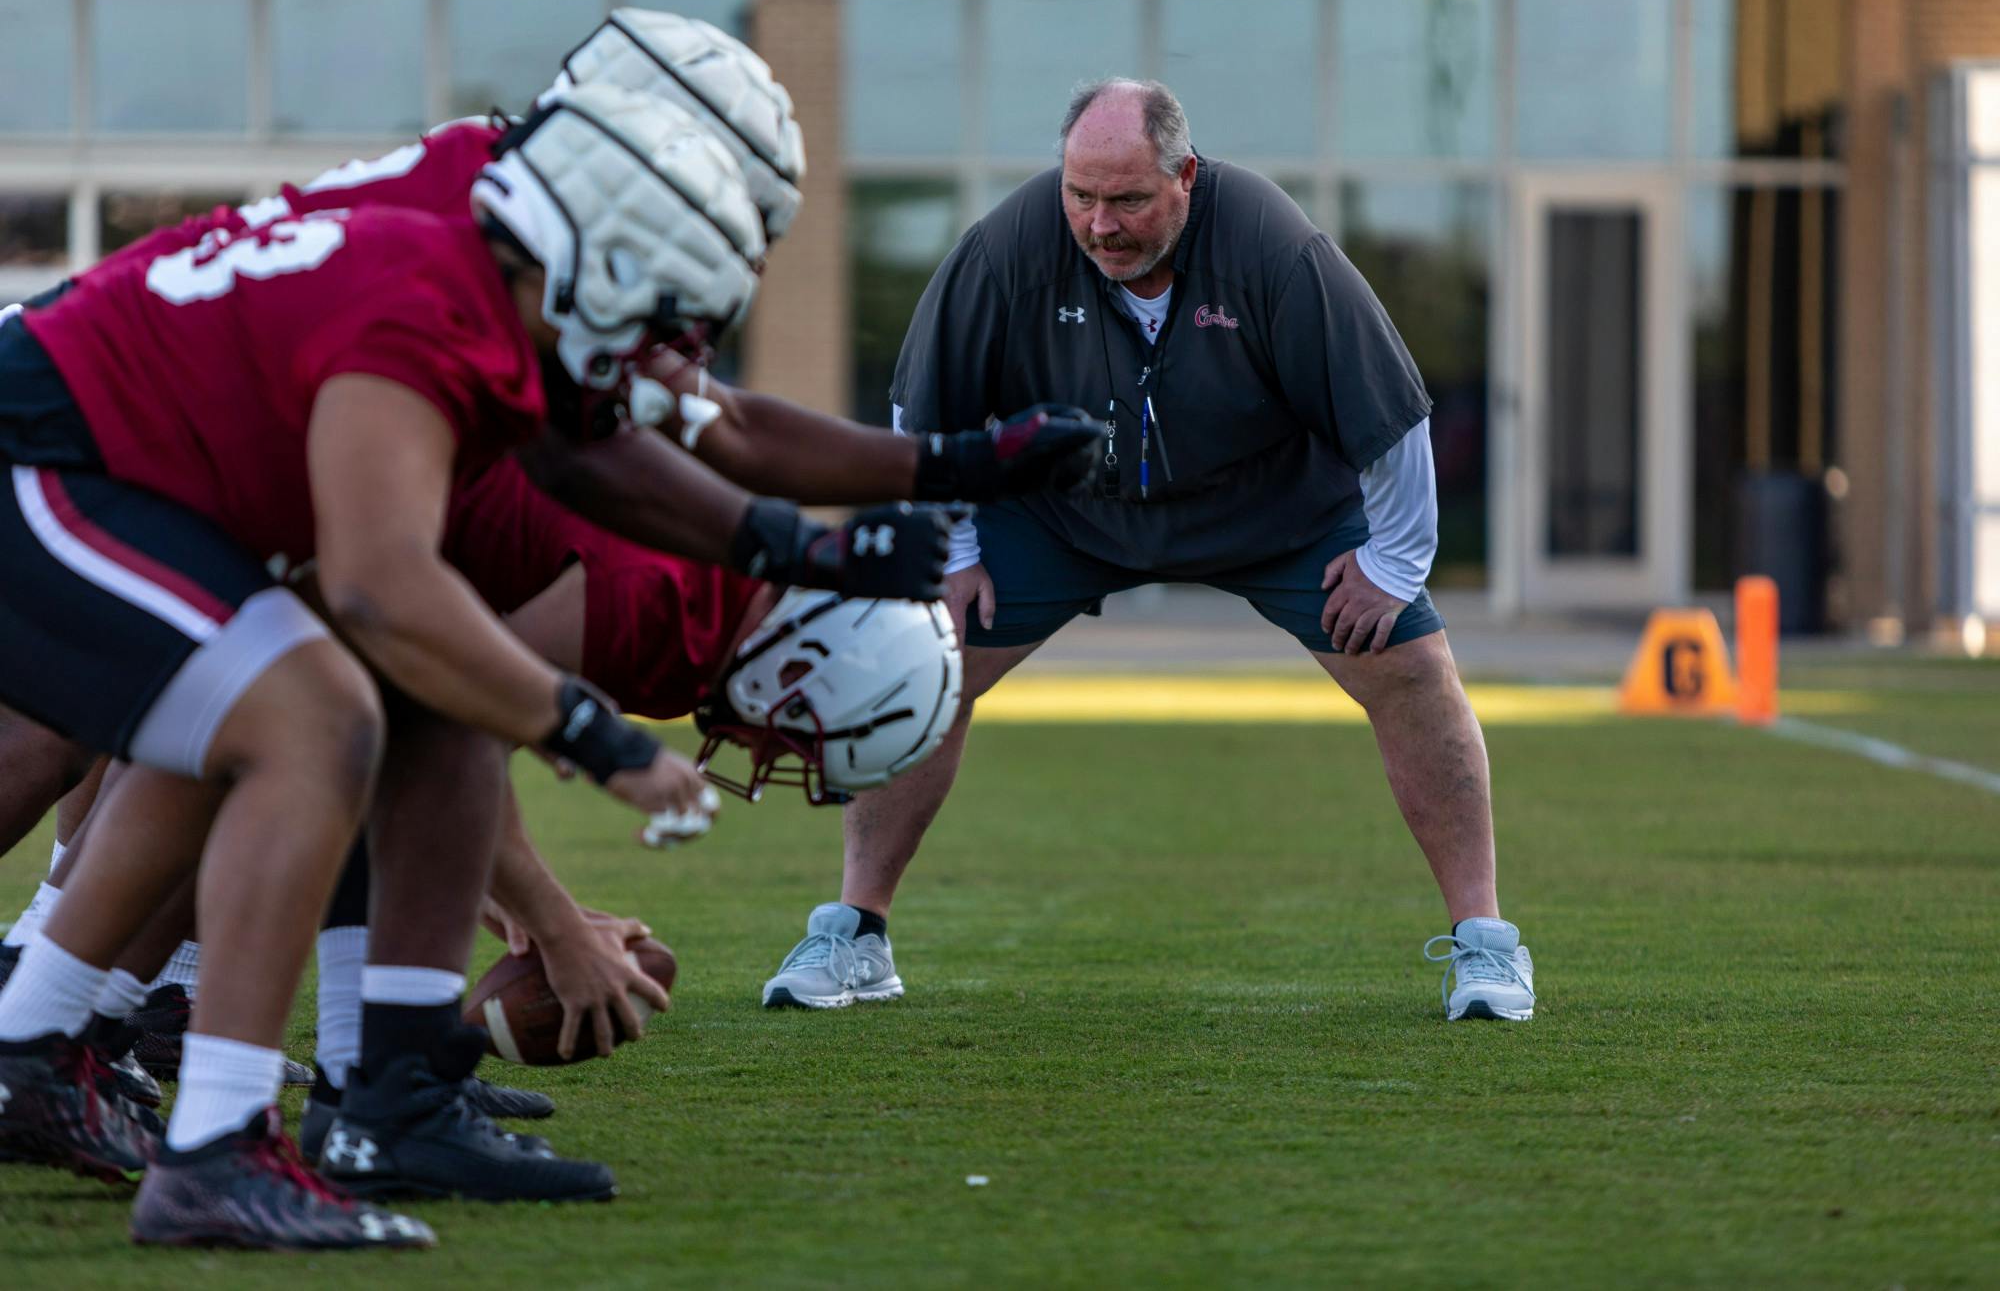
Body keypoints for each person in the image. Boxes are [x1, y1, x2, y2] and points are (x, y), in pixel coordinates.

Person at [0, 84, 831, 1250]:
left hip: (83, 442)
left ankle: (87, 1041)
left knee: (288, 719)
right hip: (57, 446)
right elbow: (429, 666)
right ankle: (168, 1084)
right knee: (252, 727)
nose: (666, 336)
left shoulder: (465, 258)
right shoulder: (448, 307)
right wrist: (568, 864)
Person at [758, 79, 1537, 1024]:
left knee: (1414, 669)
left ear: (1187, 179)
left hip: (1272, 509)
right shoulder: (1007, 249)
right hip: (1066, 510)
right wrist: (954, 547)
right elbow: (923, 414)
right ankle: (856, 934)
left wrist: (1394, 566)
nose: (1099, 224)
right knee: (921, 656)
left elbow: (1390, 413)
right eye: (1081, 196)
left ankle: (1487, 947)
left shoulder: (1274, 245)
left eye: (1126, 199)